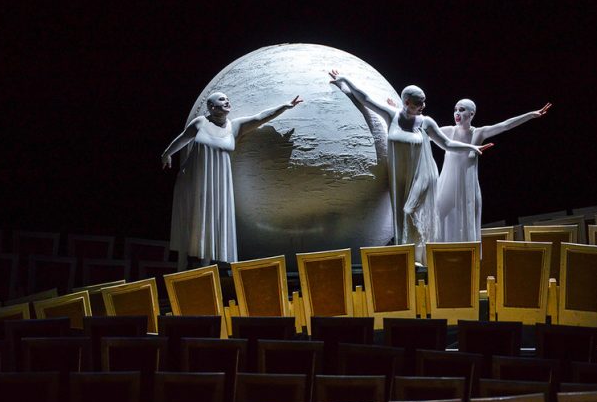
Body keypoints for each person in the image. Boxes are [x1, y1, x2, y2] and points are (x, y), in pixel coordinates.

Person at [328, 70, 490, 263]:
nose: (423, 106)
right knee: (401, 215)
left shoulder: (426, 122)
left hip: (423, 176)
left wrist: (471, 146)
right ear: (406, 103)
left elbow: (447, 144)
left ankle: (421, 256)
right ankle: (409, 256)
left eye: (424, 101)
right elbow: (366, 100)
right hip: (400, 176)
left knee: (410, 212)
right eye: (419, 102)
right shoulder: (393, 116)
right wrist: (345, 81)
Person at [162, 92, 302, 267]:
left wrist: (284, 106)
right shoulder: (200, 123)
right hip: (193, 181)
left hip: (217, 184)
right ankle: (181, 272)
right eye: (221, 99)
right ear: (211, 107)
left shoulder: (234, 126)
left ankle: (206, 274)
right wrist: (167, 153)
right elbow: (183, 138)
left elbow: (259, 118)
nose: (227, 101)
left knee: (211, 225)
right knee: (191, 226)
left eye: (228, 99)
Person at [436, 99, 552, 243]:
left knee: (467, 227)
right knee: (437, 219)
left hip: (468, 189)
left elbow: (505, 125)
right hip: (448, 186)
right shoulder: (448, 131)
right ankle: (436, 258)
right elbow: (423, 131)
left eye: (462, 110)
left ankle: (466, 261)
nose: (457, 113)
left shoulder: (479, 133)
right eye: (455, 110)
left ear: (471, 114)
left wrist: (530, 115)